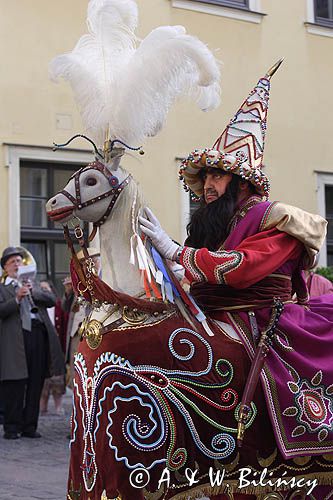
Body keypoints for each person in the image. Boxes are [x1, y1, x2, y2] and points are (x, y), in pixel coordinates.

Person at [140, 62, 333, 497]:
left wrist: (178, 253)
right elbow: (205, 270)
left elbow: (246, 266)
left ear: (242, 182)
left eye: (217, 174)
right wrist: (172, 268)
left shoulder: (275, 219)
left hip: (266, 321)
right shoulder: (218, 225)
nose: (208, 184)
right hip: (216, 316)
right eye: (205, 175)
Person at [0, 247, 65, 439]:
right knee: (15, 384)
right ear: (5, 267)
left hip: (37, 336)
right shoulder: (3, 288)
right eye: (13, 262)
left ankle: (30, 426)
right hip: (15, 339)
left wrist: (32, 291)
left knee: (36, 382)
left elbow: (52, 300)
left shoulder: (34, 284)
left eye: (19, 261)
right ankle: (12, 427)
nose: (17, 264)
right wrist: (17, 298)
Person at [62, 248, 101, 389]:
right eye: (82, 265)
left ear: (96, 262)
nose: (85, 268)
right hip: (76, 335)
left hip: (95, 333)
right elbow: (67, 309)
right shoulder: (78, 284)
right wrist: (68, 293)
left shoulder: (103, 280)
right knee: (76, 369)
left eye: (88, 263)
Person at [39, 280, 66, 416]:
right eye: (41, 289)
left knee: (57, 377)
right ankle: (42, 406)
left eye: (46, 289)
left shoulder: (59, 306)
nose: (43, 291)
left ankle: (58, 406)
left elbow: (65, 325)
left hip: (57, 346)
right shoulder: (36, 306)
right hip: (43, 345)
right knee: (42, 377)